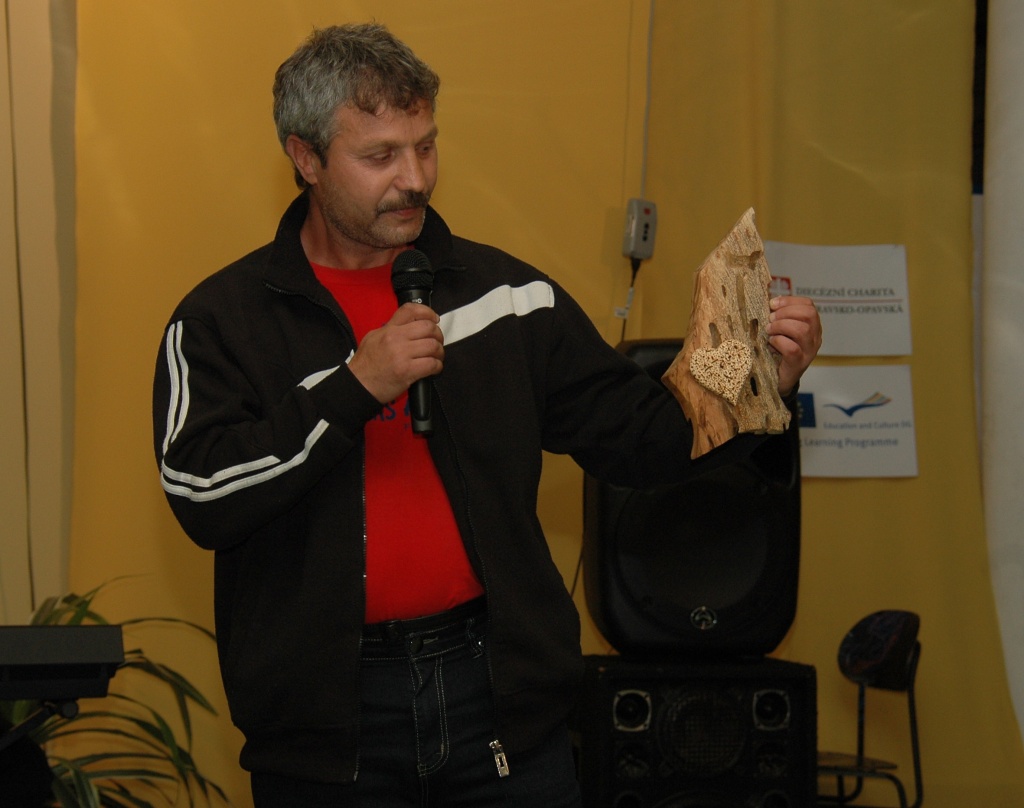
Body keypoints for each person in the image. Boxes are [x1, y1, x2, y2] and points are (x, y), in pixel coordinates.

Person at [152, 22, 822, 807]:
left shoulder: (508, 299)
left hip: (501, 704)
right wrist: (356, 386)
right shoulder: (222, 320)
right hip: (329, 728)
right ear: (305, 158)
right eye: (380, 156)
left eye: (425, 146)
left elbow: (650, 435)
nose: (414, 178)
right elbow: (203, 492)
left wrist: (755, 375)